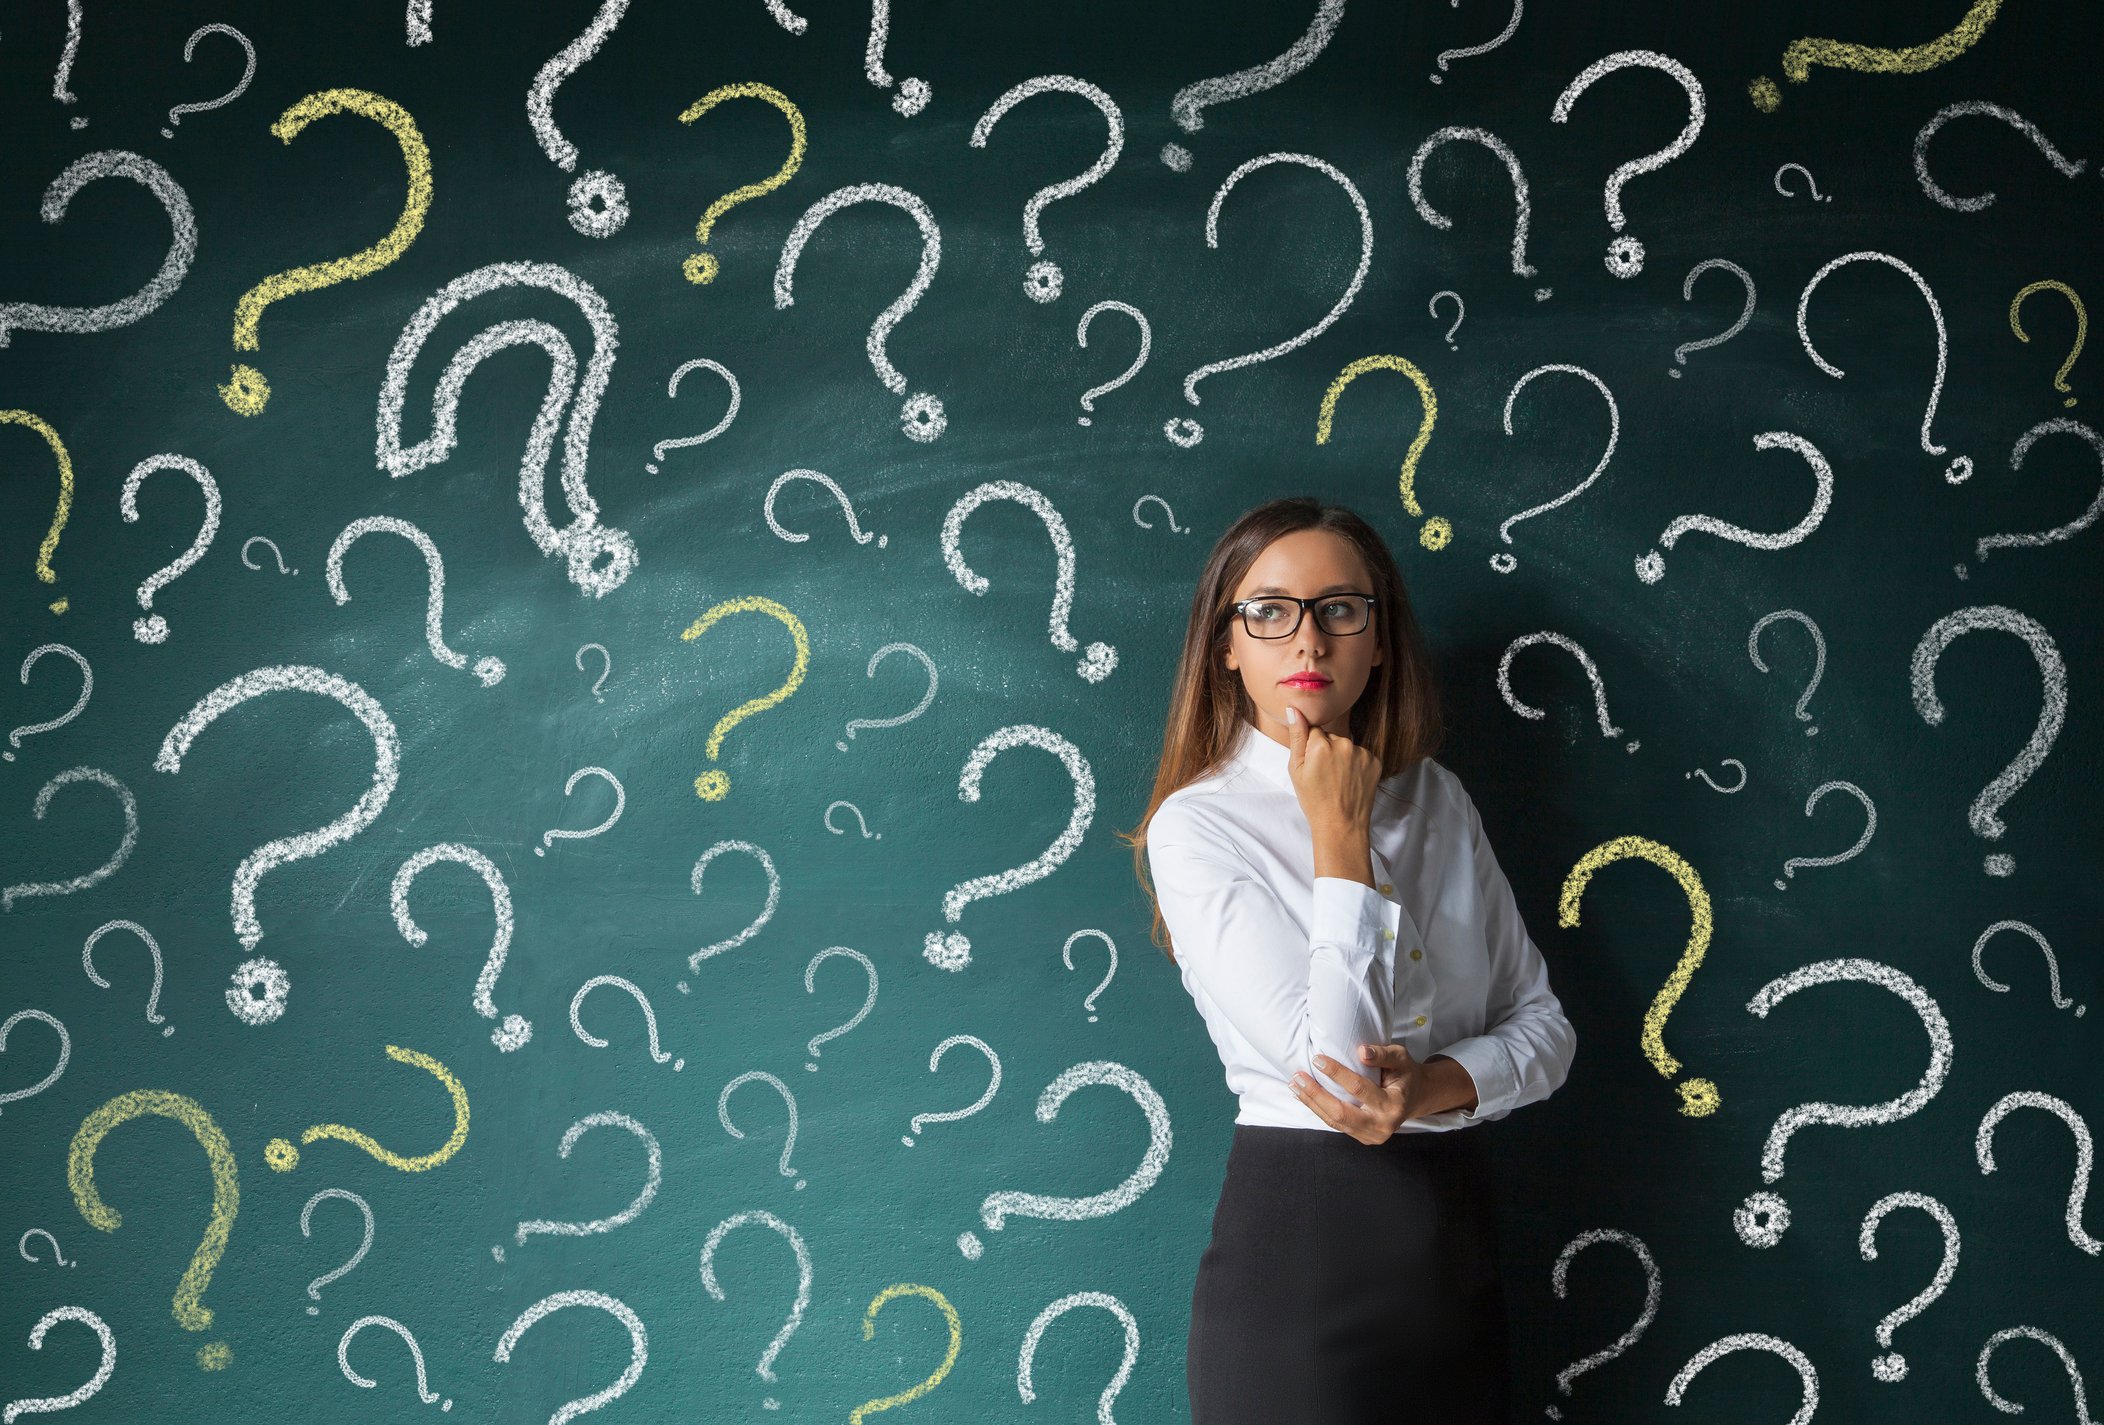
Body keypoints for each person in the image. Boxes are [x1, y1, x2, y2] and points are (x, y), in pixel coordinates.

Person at [1120, 496, 1577, 1423]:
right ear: (1227, 646)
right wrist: (1340, 832)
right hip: (1302, 1253)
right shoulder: (1197, 826)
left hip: (1454, 1252)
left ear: (1379, 639)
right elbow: (1334, 1063)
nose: (1309, 642)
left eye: (1341, 609)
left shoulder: (1438, 799)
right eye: (1270, 611)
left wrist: (1430, 1087)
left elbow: (1544, 1030)